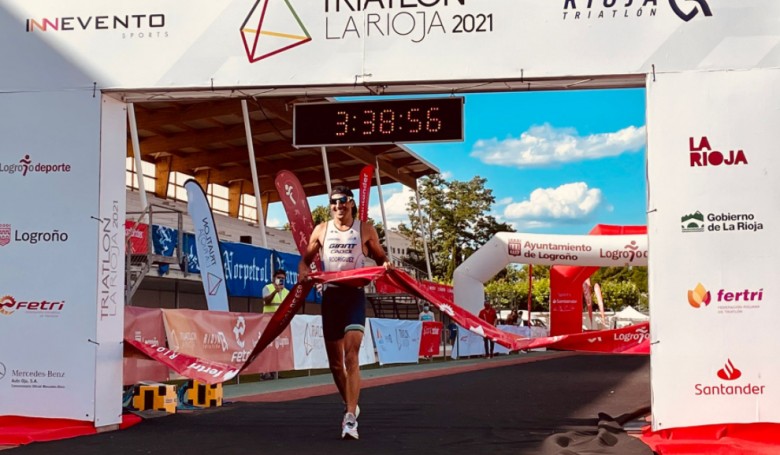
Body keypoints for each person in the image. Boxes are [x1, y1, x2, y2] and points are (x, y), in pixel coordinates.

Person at [299, 185, 392, 440]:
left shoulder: (365, 229)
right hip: (331, 297)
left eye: (343, 201)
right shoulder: (321, 230)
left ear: (351, 203)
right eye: (334, 203)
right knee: (335, 364)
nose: (338, 206)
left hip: (353, 296)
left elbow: (381, 256)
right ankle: (351, 402)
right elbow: (305, 260)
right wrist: (303, 270)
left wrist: (385, 264)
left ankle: (350, 418)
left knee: (352, 356)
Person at [259, 269, 289, 380]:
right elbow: (266, 301)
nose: (281, 280)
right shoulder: (267, 288)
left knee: (278, 347)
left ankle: (274, 371)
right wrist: (275, 291)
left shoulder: (287, 292)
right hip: (267, 322)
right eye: (279, 278)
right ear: (274, 278)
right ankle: (264, 372)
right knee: (267, 348)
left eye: (283, 278)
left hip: (280, 323)